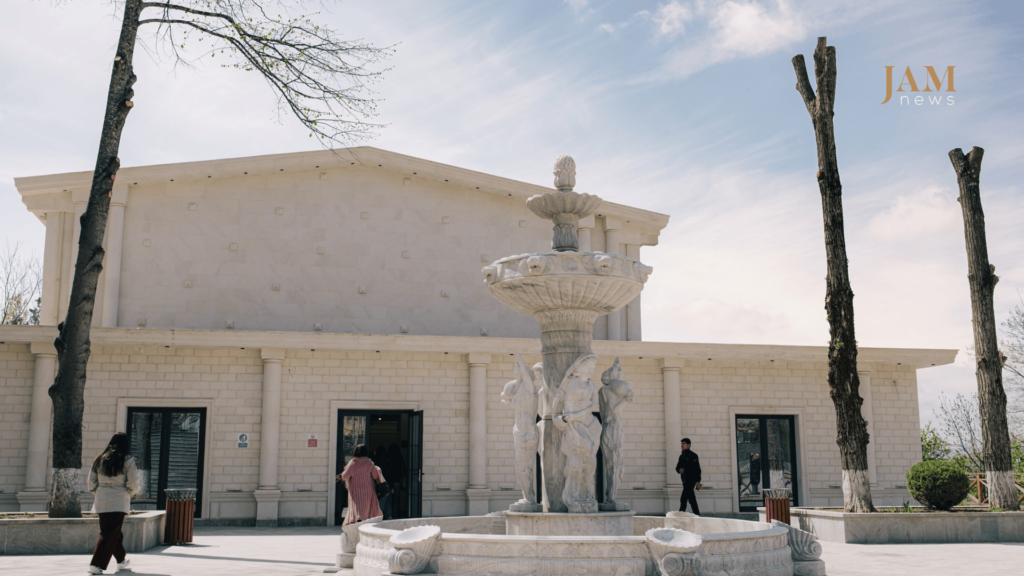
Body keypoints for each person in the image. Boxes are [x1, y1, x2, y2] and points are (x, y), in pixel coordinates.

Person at [87, 432, 141, 575]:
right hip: (119, 498)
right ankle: (96, 564)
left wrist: (97, 492)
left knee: (112, 531)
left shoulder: (99, 459)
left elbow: (91, 482)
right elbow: (133, 482)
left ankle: (121, 560)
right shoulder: (128, 459)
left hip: (101, 498)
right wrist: (130, 492)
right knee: (109, 532)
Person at [336, 444, 384, 525]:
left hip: (355, 491)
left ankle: (357, 520)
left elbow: (345, 476)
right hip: (368, 490)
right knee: (366, 507)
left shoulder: (352, 463)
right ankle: (365, 522)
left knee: (357, 507)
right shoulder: (369, 463)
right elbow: (375, 475)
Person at [675, 437, 702, 515]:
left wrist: (697, 481)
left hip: (691, 481)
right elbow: (677, 468)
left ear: (688, 445)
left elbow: (697, 470)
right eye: (681, 443)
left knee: (683, 499)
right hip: (684, 481)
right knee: (691, 499)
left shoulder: (693, 456)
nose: (682, 445)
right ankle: (697, 515)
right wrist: (679, 470)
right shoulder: (681, 456)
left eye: (683, 443)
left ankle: (680, 514)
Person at [371, 446, 393, 520]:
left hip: (376, 483)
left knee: (378, 500)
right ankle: (388, 516)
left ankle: (378, 516)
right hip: (385, 483)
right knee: (387, 499)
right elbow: (390, 472)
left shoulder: (374, 461)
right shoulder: (388, 460)